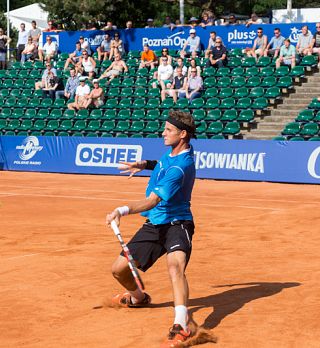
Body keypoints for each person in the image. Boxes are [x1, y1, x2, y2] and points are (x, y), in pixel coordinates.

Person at [106, 110, 197, 348]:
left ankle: (181, 324)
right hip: (155, 223)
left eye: (168, 130)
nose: (163, 133)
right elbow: (164, 164)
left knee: (175, 267)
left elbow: (151, 202)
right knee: (118, 270)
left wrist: (121, 210)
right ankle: (138, 297)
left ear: (183, 134)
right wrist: (146, 164)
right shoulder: (178, 152)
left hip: (178, 223)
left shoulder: (180, 168)